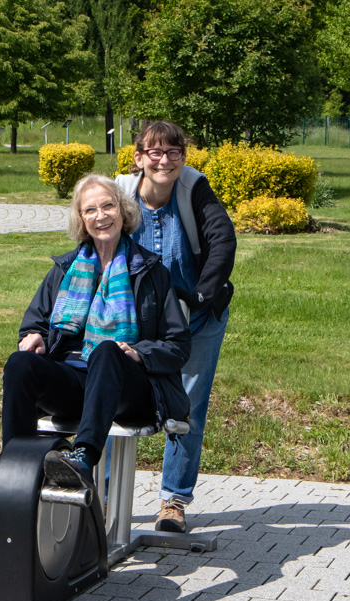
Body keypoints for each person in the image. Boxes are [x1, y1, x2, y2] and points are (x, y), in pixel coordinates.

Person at [2, 173, 191, 490]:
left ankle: (82, 460)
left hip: (129, 387)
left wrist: (139, 353)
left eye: (108, 206)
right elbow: (34, 322)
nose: (101, 216)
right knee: (19, 364)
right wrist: (33, 336)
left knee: (107, 350)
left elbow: (178, 345)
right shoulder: (66, 268)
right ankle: (15, 468)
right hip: (74, 381)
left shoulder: (150, 271)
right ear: (81, 219)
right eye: (90, 210)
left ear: (123, 210)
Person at [115, 120, 236, 533]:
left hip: (197, 317)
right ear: (139, 157)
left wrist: (202, 295)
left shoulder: (193, 188)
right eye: (155, 152)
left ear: (183, 157)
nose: (164, 160)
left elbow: (222, 239)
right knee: (113, 394)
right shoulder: (121, 196)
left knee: (188, 407)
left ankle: (173, 502)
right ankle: (106, 492)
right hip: (134, 317)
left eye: (173, 152)